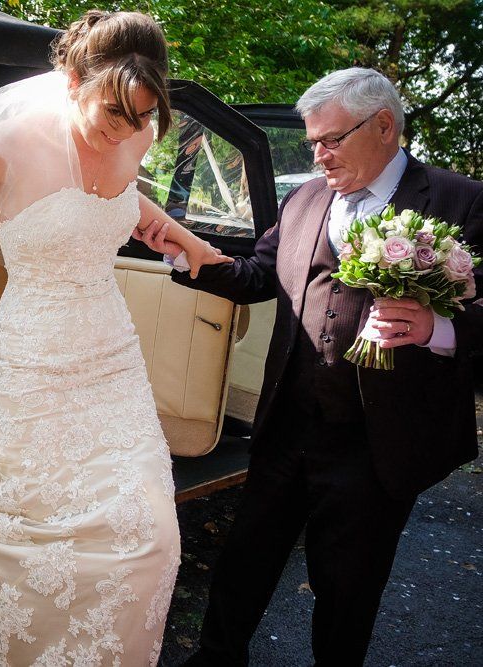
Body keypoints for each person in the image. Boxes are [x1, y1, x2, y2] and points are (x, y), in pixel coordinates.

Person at [0, 11, 227, 666]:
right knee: (46, 522)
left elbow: (123, 198)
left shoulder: (135, 134)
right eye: (113, 113)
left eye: (139, 119)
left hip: (111, 346)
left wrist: (186, 237)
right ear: (71, 78)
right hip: (36, 346)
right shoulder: (12, 140)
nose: (124, 130)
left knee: (151, 530)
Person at [141, 67, 482, 666]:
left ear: (384, 126)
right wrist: (187, 251)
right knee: (244, 562)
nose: (317, 154)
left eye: (330, 140)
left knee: (347, 588)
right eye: (312, 141)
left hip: (377, 443)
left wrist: (438, 328)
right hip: (286, 427)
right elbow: (255, 277)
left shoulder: (460, 201)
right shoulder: (307, 199)